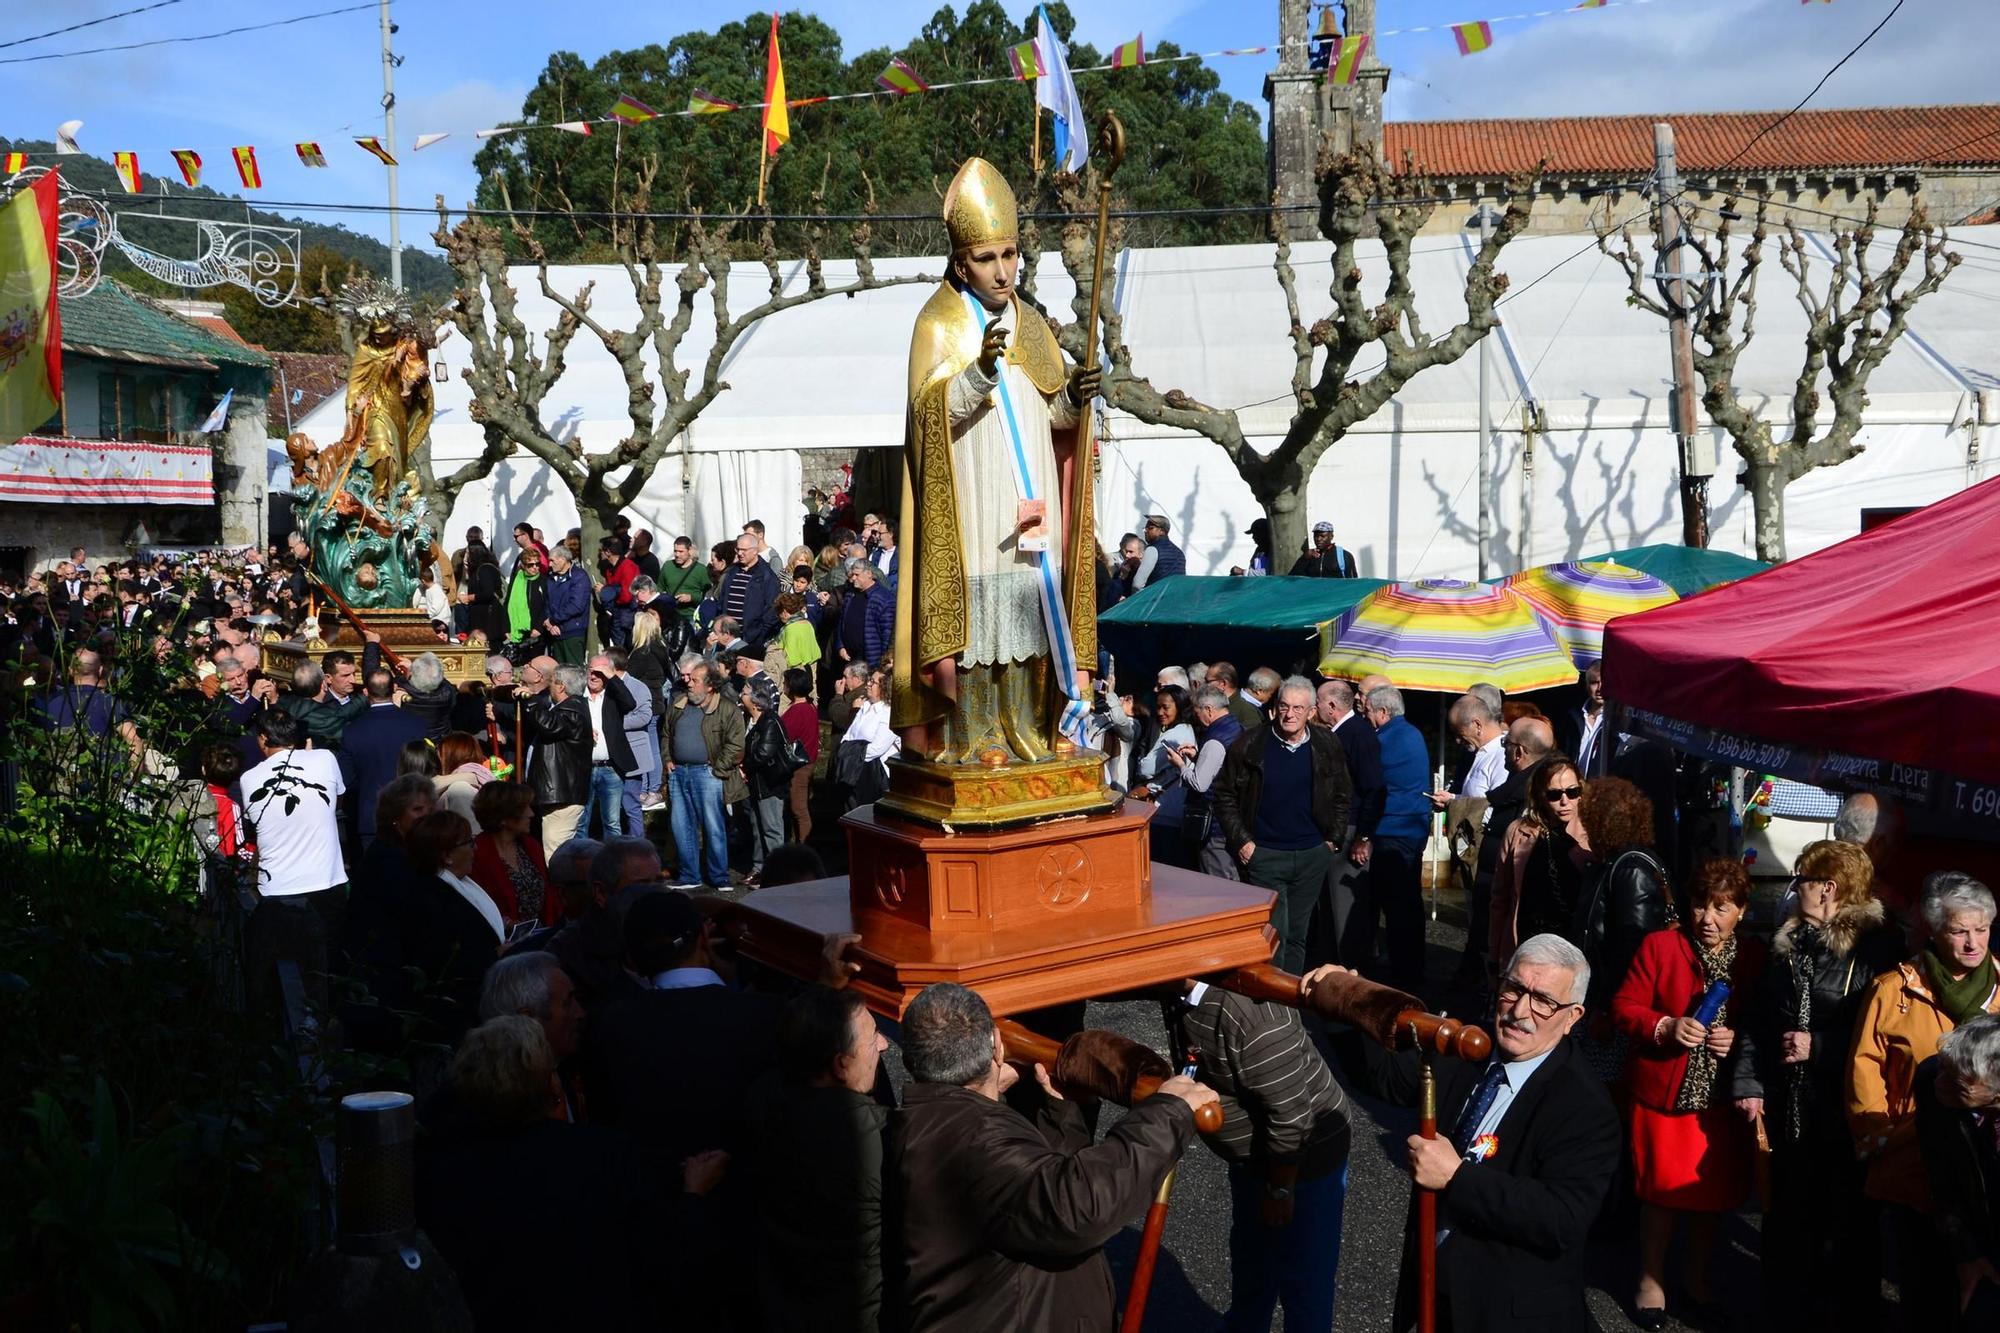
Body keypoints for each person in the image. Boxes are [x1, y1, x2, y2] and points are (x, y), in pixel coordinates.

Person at [1308, 933, 1622, 1333]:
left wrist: (1458, 1178)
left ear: (1573, 1016)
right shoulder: (1468, 1048)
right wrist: (1343, 1007)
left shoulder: (1584, 1106)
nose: (1520, 1011)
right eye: (1514, 989)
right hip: (1432, 1293)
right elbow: (1385, 1078)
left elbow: (1561, 1218)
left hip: (1506, 1313)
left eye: (1543, 1001)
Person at [883, 982, 1216, 1332]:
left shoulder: (923, 1122)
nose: (879, 1042)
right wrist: (1169, 1113)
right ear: (997, 1046)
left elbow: (1029, 1199)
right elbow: (1077, 1207)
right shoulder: (977, 1139)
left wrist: (1062, 1112)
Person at [1732, 839, 1905, 1333]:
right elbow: (1758, 1021)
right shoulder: (1787, 944)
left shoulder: (1877, 949)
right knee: (1788, 1220)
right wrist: (1749, 1082)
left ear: (1828, 889)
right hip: (1790, 1108)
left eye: (1802, 880)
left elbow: (1881, 1035)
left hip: (1846, 1113)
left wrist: (1820, 1047)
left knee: (1849, 1227)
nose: (1795, 889)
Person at [415, 1016, 670, 1333]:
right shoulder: (606, 1155)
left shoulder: (441, 1171)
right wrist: (693, 1198)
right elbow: (656, 1257)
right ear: (550, 1084)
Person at [1612, 860, 1766, 1329]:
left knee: (1712, 1198)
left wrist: (1736, 1037)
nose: (1707, 918)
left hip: (1720, 1100)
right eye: (1700, 904)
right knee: (1659, 1197)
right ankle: (1651, 1281)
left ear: (1741, 911)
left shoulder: (1755, 957)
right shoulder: (1661, 946)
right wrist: (1664, 1025)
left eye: (1721, 908)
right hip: (1664, 1095)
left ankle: (1698, 1281)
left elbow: (1765, 1022)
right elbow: (1623, 1006)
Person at [1847, 871, 2000, 1331]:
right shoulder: (1894, 990)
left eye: (1982, 928)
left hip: (1987, 1182)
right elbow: (1863, 1067)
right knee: (1924, 1294)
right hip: (1911, 1167)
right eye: (1959, 930)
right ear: (1934, 930)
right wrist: (1883, 1138)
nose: (1973, 942)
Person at [1167, 975, 1352, 1332]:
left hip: (1305, 1160)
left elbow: (1293, 1118)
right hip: (1254, 1156)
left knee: (1303, 1276)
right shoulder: (1180, 988)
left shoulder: (1252, 1017)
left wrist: (1279, 1190)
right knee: (1253, 1257)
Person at [748, 986, 892, 1333]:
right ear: (842, 1065)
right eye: (873, 1039)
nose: (884, 1046)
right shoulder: (878, 1134)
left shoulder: (761, 1104)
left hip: (781, 1307)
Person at [1212, 676, 1352, 975]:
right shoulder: (1250, 744)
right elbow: (1224, 796)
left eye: (1298, 708)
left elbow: (1342, 794)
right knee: (1274, 934)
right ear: (1275, 708)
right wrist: (1244, 843)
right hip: (1265, 854)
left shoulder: (1326, 743)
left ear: (1312, 711)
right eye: (1284, 706)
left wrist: (1332, 841)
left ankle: (1291, 1004)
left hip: (1312, 853)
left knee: (1299, 933)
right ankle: (1272, 1005)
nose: (1290, 714)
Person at [239, 710, 348, 1017]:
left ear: (263, 740)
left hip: (279, 888)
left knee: (286, 976)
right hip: (326, 883)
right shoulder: (325, 759)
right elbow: (336, 802)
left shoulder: (250, 779)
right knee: (325, 970)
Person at [1916, 1012, 2000, 1328]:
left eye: (1958, 1082)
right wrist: (1967, 1253)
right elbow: (1942, 1178)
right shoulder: (1931, 1080)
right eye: (1943, 1069)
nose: (1940, 1083)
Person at [401, 810, 505, 1044]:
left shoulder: (455, 886)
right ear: (447, 855)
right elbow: (442, 962)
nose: (475, 849)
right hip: (455, 1022)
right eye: (469, 843)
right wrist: (493, 955)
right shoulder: (431, 900)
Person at [1577, 775, 1674, 1013]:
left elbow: (1633, 946)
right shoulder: (1619, 862)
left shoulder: (1631, 870)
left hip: (1617, 1004)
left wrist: (1606, 1006)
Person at [1360, 684, 1432, 988]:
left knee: (1398, 907)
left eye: (1367, 712)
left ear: (1382, 712)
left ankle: (1404, 974)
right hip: (1412, 829)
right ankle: (1410, 966)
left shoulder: (1386, 739)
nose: (1365, 717)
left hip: (1394, 831)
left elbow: (1370, 782)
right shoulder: (1413, 733)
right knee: (1409, 903)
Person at [1489, 757, 1591, 963]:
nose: (1565, 801)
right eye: (1554, 795)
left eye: (1572, 792)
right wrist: (1494, 957)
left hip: (1574, 946)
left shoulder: (1592, 833)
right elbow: (1500, 899)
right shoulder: (1519, 832)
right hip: (1529, 942)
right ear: (1540, 796)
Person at [1314, 679, 1384, 969]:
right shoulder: (1343, 733)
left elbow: (1374, 788)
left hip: (1351, 830)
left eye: (1317, 702)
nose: (1315, 707)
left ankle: (1352, 970)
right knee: (1332, 906)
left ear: (1331, 705)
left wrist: (1364, 836)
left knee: (1345, 909)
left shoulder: (1357, 734)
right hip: (1340, 828)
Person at [666, 659, 744, 890]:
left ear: (710, 686)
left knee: (713, 826)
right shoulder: (679, 705)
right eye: (689, 679)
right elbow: (666, 735)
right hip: (679, 773)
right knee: (681, 826)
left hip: (707, 775)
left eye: (695, 680)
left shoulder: (727, 709)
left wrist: (717, 769)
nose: (689, 684)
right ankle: (690, 875)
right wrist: (668, 760)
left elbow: (736, 744)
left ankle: (719, 876)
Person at [1166, 684, 1242, 878]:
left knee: (1220, 882)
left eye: (1196, 710)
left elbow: (1200, 784)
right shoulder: (1236, 727)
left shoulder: (1215, 740)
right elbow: (1222, 769)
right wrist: (1198, 757)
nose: (1195, 715)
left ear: (1208, 710)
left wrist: (1180, 765)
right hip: (1233, 821)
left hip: (1215, 828)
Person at [519, 661, 591, 851]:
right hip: (554, 794)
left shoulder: (573, 710)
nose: (548, 686)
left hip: (562, 796)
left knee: (555, 852)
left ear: (561, 685)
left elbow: (550, 726)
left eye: (551, 682)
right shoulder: (564, 708)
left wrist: (530, 700)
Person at [1130, 684, 1195, 867]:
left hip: (1164, 811)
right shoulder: (1189, 730)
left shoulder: (1174, 734)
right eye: (1157, 707)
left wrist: (1143, 760)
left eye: (1166, 707)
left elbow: (1146, 768)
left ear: (1180, 706)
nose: (1160, 712)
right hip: (1178, 809)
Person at [469, 780, 550, 927]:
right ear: (503, 817)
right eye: (524, 808)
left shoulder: (531, 846)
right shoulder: (476, 854)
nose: (531, 814)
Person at [742, 676, 791, 888]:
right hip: (757, 785)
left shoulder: (770, 721)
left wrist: (744, 767)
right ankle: (760, 868)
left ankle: (778, 875)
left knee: (772, 830)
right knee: (757, 827)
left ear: (755, 700)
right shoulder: (752, 720)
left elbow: (763, 752)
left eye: (744, 692)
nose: (740, 695)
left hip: (770, 786)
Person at [713, 533, 782, 658]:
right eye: (738, 549)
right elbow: (721, 602)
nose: (740, 553)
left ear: (755, 551)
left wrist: (758, 637)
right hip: (727, 640)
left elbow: (772, 612)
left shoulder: (767, 576)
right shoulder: (731, 572)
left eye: (744, 550)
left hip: (751, 642)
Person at [841, 667, 898, 810]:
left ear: (884, 687)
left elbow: (877, 748)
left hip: (874, 775)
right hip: (855, 769)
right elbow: (848, 735)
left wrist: (851, 756)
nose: (868, 684)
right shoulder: (865, 705)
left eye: (873, 682)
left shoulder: (889, 712)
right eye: (869, 680)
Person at [779, 666, 820, 845]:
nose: (784, 688)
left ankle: (804, 846)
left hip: (799, 767)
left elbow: (783, 735)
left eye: (786, 684)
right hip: (805, 764)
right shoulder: (809, 706)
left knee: (798, 808)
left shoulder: (798, 710)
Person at [540, 545, 591, 667]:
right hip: (554, 633)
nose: (550, 564)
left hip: (572, 631)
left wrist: (553, 619)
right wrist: (549, 623)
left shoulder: (579, 577)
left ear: (562, 559)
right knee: (559, 671)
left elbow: (576, 605)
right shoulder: (551, 578)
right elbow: (547, 602)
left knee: (573, 670)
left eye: (552, 560)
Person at [432, 730, 492, 830]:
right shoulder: (483, 776)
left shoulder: (460, 789)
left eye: (439, 757)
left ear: (449, 758)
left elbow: (472, 834)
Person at [840, 557, 894, 669]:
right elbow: (841, 623)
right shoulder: (850, 595)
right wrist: (840, 646)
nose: (853, 578)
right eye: (852, 575)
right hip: (849, 659)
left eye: (857, 575)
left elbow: (887, 634)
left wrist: (881, 664)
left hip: (870, 662)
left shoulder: (883, 598)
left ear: (869, 574)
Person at [502, 544, 548, 657]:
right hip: (517, 632)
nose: (535, 567)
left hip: (537, 633)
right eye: (530, 565)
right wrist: (506, 628)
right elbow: (507, 603)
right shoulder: (516, 580)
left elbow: (547, 605)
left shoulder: (544, 581)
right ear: (523, 565)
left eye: (537, 564)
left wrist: (538, 628)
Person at [1131, 513, 1186, 590]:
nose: (1145, 531)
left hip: (1156, 599)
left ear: (1162, 531)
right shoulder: (1179, 553)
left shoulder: (1152, 550)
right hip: (1176, 598)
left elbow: (1137, 585)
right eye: (1145, 528)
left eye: (1150, 528)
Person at [1289, 521, 1358, 578]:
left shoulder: (1344, 556)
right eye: (1316, 536)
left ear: (1331, 537)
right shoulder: (1310, 556)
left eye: (1322, 536)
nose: (1318, 539)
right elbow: (1293, 578)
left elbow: (1353, 582)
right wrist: (1304, 558)